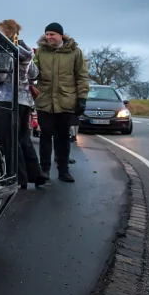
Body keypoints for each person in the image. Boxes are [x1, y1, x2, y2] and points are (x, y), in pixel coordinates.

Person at [0, 20, 46, 189]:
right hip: (25, 101)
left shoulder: (5, 49)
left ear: (7, 32)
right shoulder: (26, 50)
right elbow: (34, 73)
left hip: (7, 99)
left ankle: (16, 178)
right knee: (23, 138)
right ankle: (36, 175)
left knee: (9, 139)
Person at [33, 22, 89, 183]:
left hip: (66, 100)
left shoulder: (74, 52)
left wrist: (82, 98)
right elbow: (33, 73)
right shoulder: (41, 52)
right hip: (45, 101)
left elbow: (82, 76)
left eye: (52, 34)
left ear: (61, 35)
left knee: (63, 138)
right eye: (47, 34)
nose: (49, 37)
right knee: (45, 135)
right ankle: (44, 170)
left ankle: (63, 171)